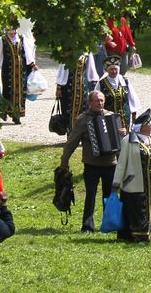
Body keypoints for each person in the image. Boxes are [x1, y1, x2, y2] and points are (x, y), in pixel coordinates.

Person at [60, 89, 123, 232]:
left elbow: (120, 143)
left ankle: (109, 224)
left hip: (110, 164)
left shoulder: (112, 116)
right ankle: (87, 226)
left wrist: (122, 135)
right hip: (91, 164)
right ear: (90, 103)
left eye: (101, 100)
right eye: (96, 101)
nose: (100, 103)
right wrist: (64, 160)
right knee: (90, 195)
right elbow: (72, 142)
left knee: (110, 196)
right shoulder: (83, 119)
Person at [113, 110, 151, 243]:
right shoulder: (128, 141)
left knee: (148, 206)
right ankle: (136, 234)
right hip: (134, 181)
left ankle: (147, 231)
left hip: (150, 183)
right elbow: (121, 163)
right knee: (136, 207)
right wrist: (116, 182)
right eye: (149, 124)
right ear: (142, 127)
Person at [0, 24, 36, 125]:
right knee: (8, 91)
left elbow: (27, 53)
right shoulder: (2, 40)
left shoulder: (21, 39)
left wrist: (32, 64)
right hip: (8, 71)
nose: (13, 35)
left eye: (14, 33)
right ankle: (6, 111)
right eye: (10, 33)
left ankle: (17, 115)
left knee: (21, 92)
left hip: (21, 71)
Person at [97, 56, 140, 131]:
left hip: (124, 119)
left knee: (124, 139)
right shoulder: (101, 84)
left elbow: (132, 98)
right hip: (108, 118)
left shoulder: (125, 81)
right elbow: (96, 100)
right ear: (107, 70)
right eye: (111, 69)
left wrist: (134, 115)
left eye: (115, 69)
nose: (114, 71)